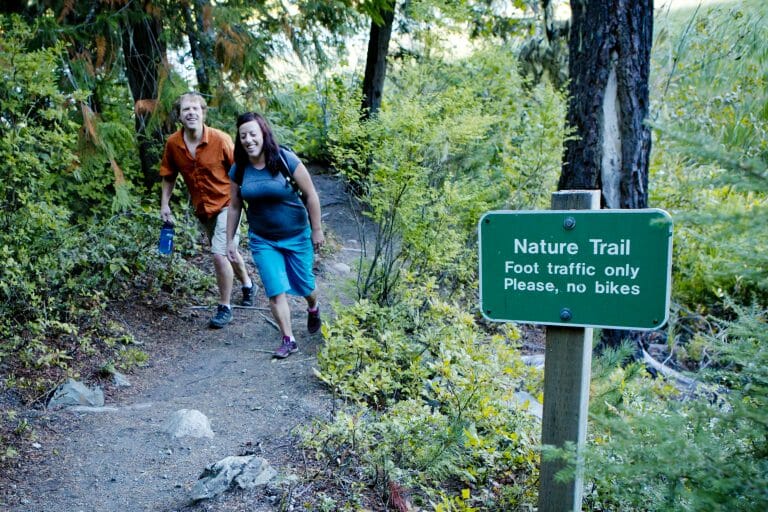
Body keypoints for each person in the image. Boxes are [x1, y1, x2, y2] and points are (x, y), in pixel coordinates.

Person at [226, 112, 324, 358]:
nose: (248, 140)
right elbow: (235, 205)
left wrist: (317, 229)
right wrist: (230, 240)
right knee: (275, 288)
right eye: (243, 136)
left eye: (253, 134)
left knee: (304, 285)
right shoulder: (239, 170)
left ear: (263, 134)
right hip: (263, 239)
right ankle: (288, 339)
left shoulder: (284, 159)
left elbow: (311, 195)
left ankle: (313, 306)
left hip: (297, 235)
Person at [159, 92, 254, 329]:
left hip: (228, 205)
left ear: (203, 112)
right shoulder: (173, 144)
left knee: (219, 253)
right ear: (179, 116)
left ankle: (224, 307)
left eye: (195, 109)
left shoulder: (220, 140)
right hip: (203, 209)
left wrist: (248, 201)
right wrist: (164, 204)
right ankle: (248, 284)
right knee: (229, 252)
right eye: (185, 110)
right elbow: (169, 176)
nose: (191, 113)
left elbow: (240, 172)